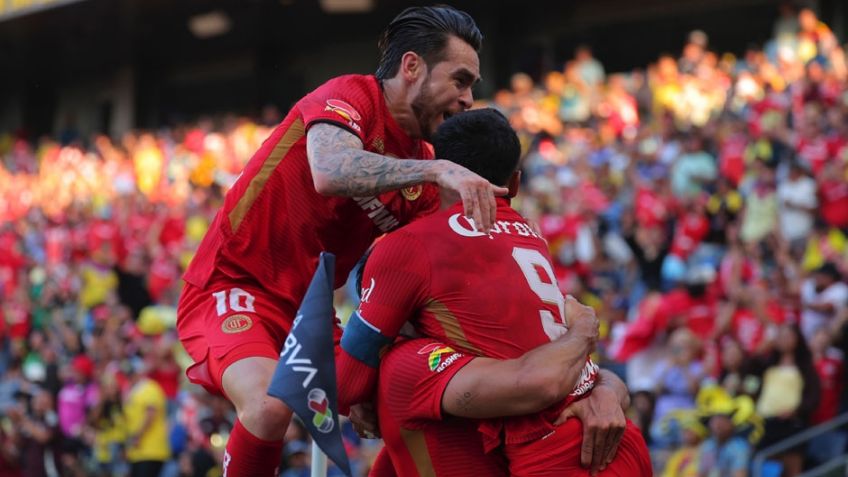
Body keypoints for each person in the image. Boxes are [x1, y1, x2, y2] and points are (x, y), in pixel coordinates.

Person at [176, 6, 506, 476]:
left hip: (311, 312)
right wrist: (437, 169)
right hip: (234, 285)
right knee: (271, 407)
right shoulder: (351, 96)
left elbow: (427, 278)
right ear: (412, 67)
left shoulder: (422, 170)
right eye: (460, 80)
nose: (469, 98)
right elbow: (331, 172)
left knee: (418, 394)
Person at [337, 109, 651, 476]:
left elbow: (345, 386)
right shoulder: (528, 234)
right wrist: (608, 384)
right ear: (514, 184)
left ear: (436, 172)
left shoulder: (408, 255)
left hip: (558, 456)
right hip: (615, 439)